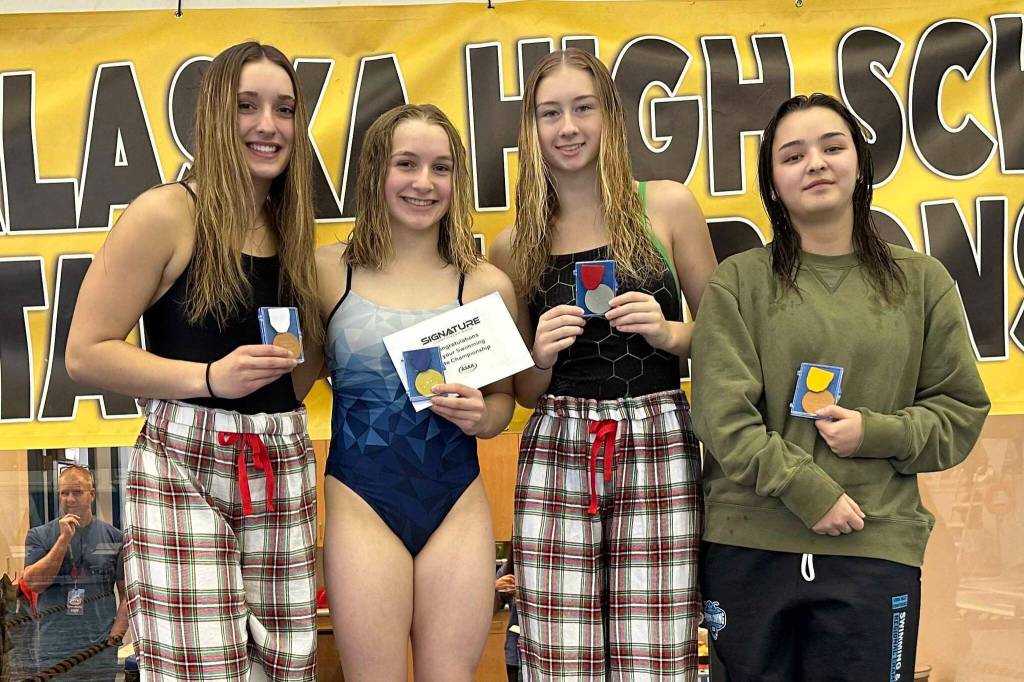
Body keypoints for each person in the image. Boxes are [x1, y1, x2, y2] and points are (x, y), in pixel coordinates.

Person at [690, 93, 991, 681]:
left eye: (833, 147)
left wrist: (874, 433)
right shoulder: (738, 282)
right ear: (772, 182)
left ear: (860, 163)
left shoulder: (922, 282)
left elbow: (960, 413)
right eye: (792, 155)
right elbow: (722, 416)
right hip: (750, 544)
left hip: (873, 544)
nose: (816, 163)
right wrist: (807, 490)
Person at [65, 41, 323, 681]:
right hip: (186, 458)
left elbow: (300, 368)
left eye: (284, 109)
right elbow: (85, 353)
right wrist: (207, 378)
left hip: (281, 458)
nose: (268, 125)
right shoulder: (168, 212)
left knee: (287, 663)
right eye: (248, 106)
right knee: (197, 663)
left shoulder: (292, 228)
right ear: (214, 116)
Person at [489, 48, 717, 680]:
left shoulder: (666, 206)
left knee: (656, 645)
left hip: (658, 435)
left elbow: (730, 341)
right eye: (550, 113)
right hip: (558, 443)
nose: (568, 127)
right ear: (532, 128)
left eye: (583, 108)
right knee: (558, 648)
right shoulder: (514, 244)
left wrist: (670, 333)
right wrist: (539, 353)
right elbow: (525, 391)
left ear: (610, 117)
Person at [316, 103, 517, 681]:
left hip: (455, 503)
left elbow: (504, 402)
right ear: (375, 171)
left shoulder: (484, 284)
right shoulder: (326, 272)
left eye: (441, 167)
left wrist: (482, 416)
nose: (424, 183)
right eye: (406, 164)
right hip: (361, 500)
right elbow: (294, 374)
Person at [21, 465, 128, 680]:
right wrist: (63, 540)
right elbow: (33, 584)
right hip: (54, 649)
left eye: (77, 492)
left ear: (92, 494)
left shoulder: (115, 537)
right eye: (64, 493)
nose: (70, 499)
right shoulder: (39, 535)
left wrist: (115, 637)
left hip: (99, 648)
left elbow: (128, 594)